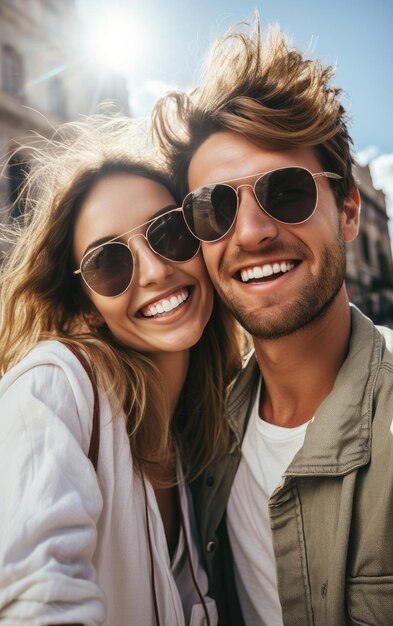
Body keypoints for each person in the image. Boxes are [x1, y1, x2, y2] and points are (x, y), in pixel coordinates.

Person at [152, 15, 393, 626]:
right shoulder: (199, 440)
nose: (254, 232)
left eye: (287, 192)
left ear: (347, 212)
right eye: (216, 209)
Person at [0, 113, 242, 625]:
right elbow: (36, 599)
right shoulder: (53, 386)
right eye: (109, 263)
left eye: (170, 233)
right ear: (86, 303)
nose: (155, 271)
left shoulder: (192, 437)